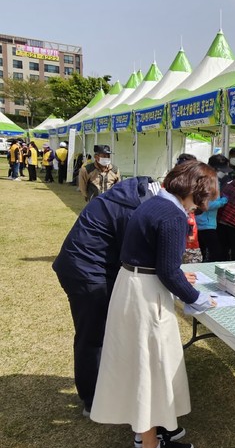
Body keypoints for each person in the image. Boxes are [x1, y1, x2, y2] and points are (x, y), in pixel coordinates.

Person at [90, 160, 218, 448]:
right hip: (144, 294)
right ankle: (150, 447)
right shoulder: (173, 215)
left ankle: (145, 429)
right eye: (208, 195)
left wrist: (173, 275)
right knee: (150, 365)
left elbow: (159, 261)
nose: (208, 203)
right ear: (196, 191)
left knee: (140, 363)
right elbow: (169, 272)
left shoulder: (154, 203)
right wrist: (199, 299)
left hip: (133, 283)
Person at [53, 176, 162, 416]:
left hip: (92, 267)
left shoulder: (130, 194)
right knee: (93, 336)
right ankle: (92, 399)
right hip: (86, 273)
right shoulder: (133, 210)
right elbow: (136, 256)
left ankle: (108, 386)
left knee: (107, 331)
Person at [198, 154, 229, 262]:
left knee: (206, 253)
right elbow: (206, 204)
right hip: (204, 224)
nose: (225, 173)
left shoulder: (208, 179)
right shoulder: (208, 182)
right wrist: (223, 201)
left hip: (206, 222)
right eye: (223, 171)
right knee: (216, 254)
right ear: (215, 169)